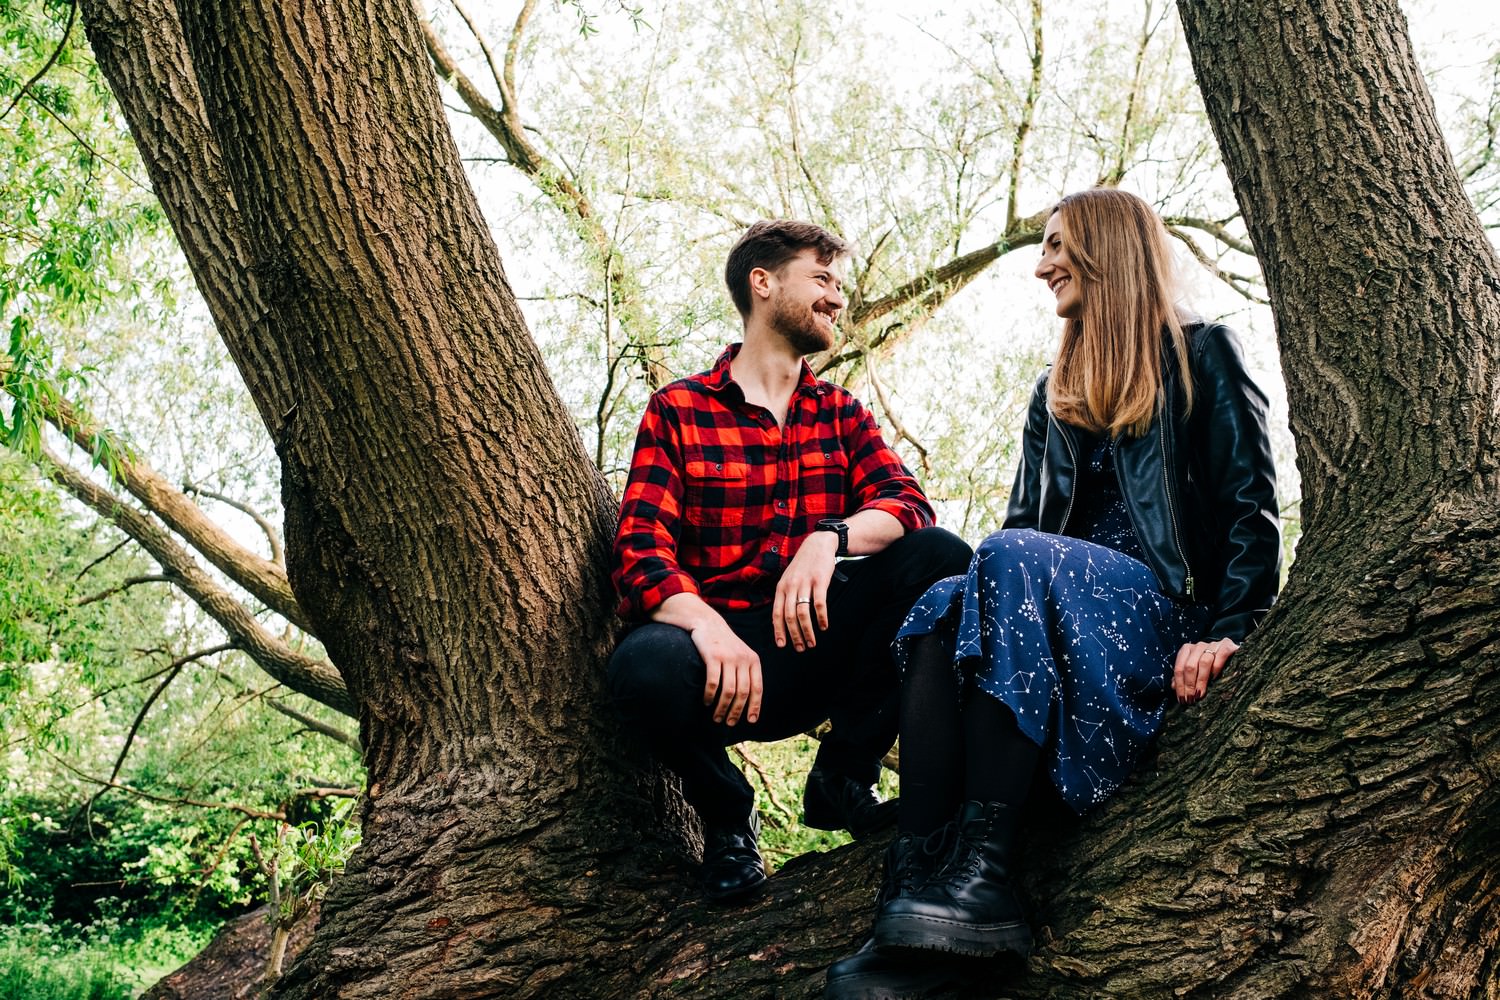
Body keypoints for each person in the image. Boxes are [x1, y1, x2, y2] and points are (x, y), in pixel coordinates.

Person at [824, 188, 1281, 997]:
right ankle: (918, 888)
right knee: (939, 606)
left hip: (1163, 615)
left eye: (1057, 245)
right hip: (1052, 621)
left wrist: (1234, 627)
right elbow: (1017, 540)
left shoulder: (1205, 353)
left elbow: (1250, 510)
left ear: (1109, 248)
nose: (1041, 266)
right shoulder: (1055, 391)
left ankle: (986, 876)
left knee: (1001, 557)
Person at [608, 220, 973, 904]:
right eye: (822, 279)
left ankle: (844, 774)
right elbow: (640, 552)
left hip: (818, 646)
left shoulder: (840, 414)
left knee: (943, 558)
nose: (838, 298)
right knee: (641, 665)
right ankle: (726, 814)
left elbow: (907, 505)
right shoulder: (679, 409)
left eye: (840, 284)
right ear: (764, 282)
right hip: (714, 670)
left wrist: (826, 539)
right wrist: (708, 629)